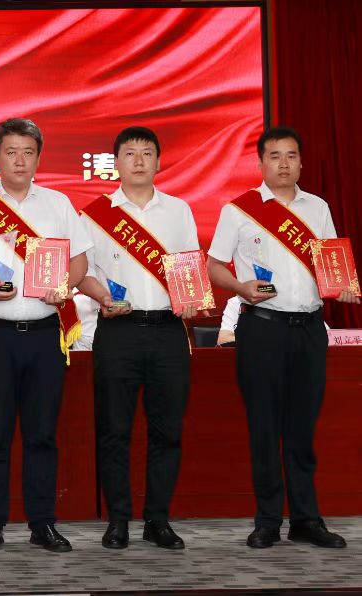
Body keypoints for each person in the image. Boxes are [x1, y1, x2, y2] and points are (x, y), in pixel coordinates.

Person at [207, 126, 358, 549]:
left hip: (309, 329)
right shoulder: (239, 210)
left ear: (301, 162)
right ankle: (268, 520)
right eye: (274, 156)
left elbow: (331, 264)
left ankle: (307, 519)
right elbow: (214, 266)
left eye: (291, 155)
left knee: (302, 428)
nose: (284, 163)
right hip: (262, 328)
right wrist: (240, 287)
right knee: (264, 426)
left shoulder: (318, 208)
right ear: (260, 163)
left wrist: (344, 285)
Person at [0, 117, 91, 554]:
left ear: (38, 158)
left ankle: (42, 523)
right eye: (10, 152)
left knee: (41, 433)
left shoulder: (58, 204)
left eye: (28, 152)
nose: (19, 160)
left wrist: (64, 285)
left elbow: (80, 262)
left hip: (46, 334)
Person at [76, 126, 200, 549]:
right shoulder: (95, 215)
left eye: (147, 152)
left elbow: (188, 263)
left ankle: (158, 519)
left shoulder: (179, 211)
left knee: (168, 430)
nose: (139, 160)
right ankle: (118, 520)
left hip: (168, 330)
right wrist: (102, 296)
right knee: (114, 429)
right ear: (116, 163)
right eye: (130, 153)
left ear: (159, 161)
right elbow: (82, 273)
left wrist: (190, 299)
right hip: (118, 331)